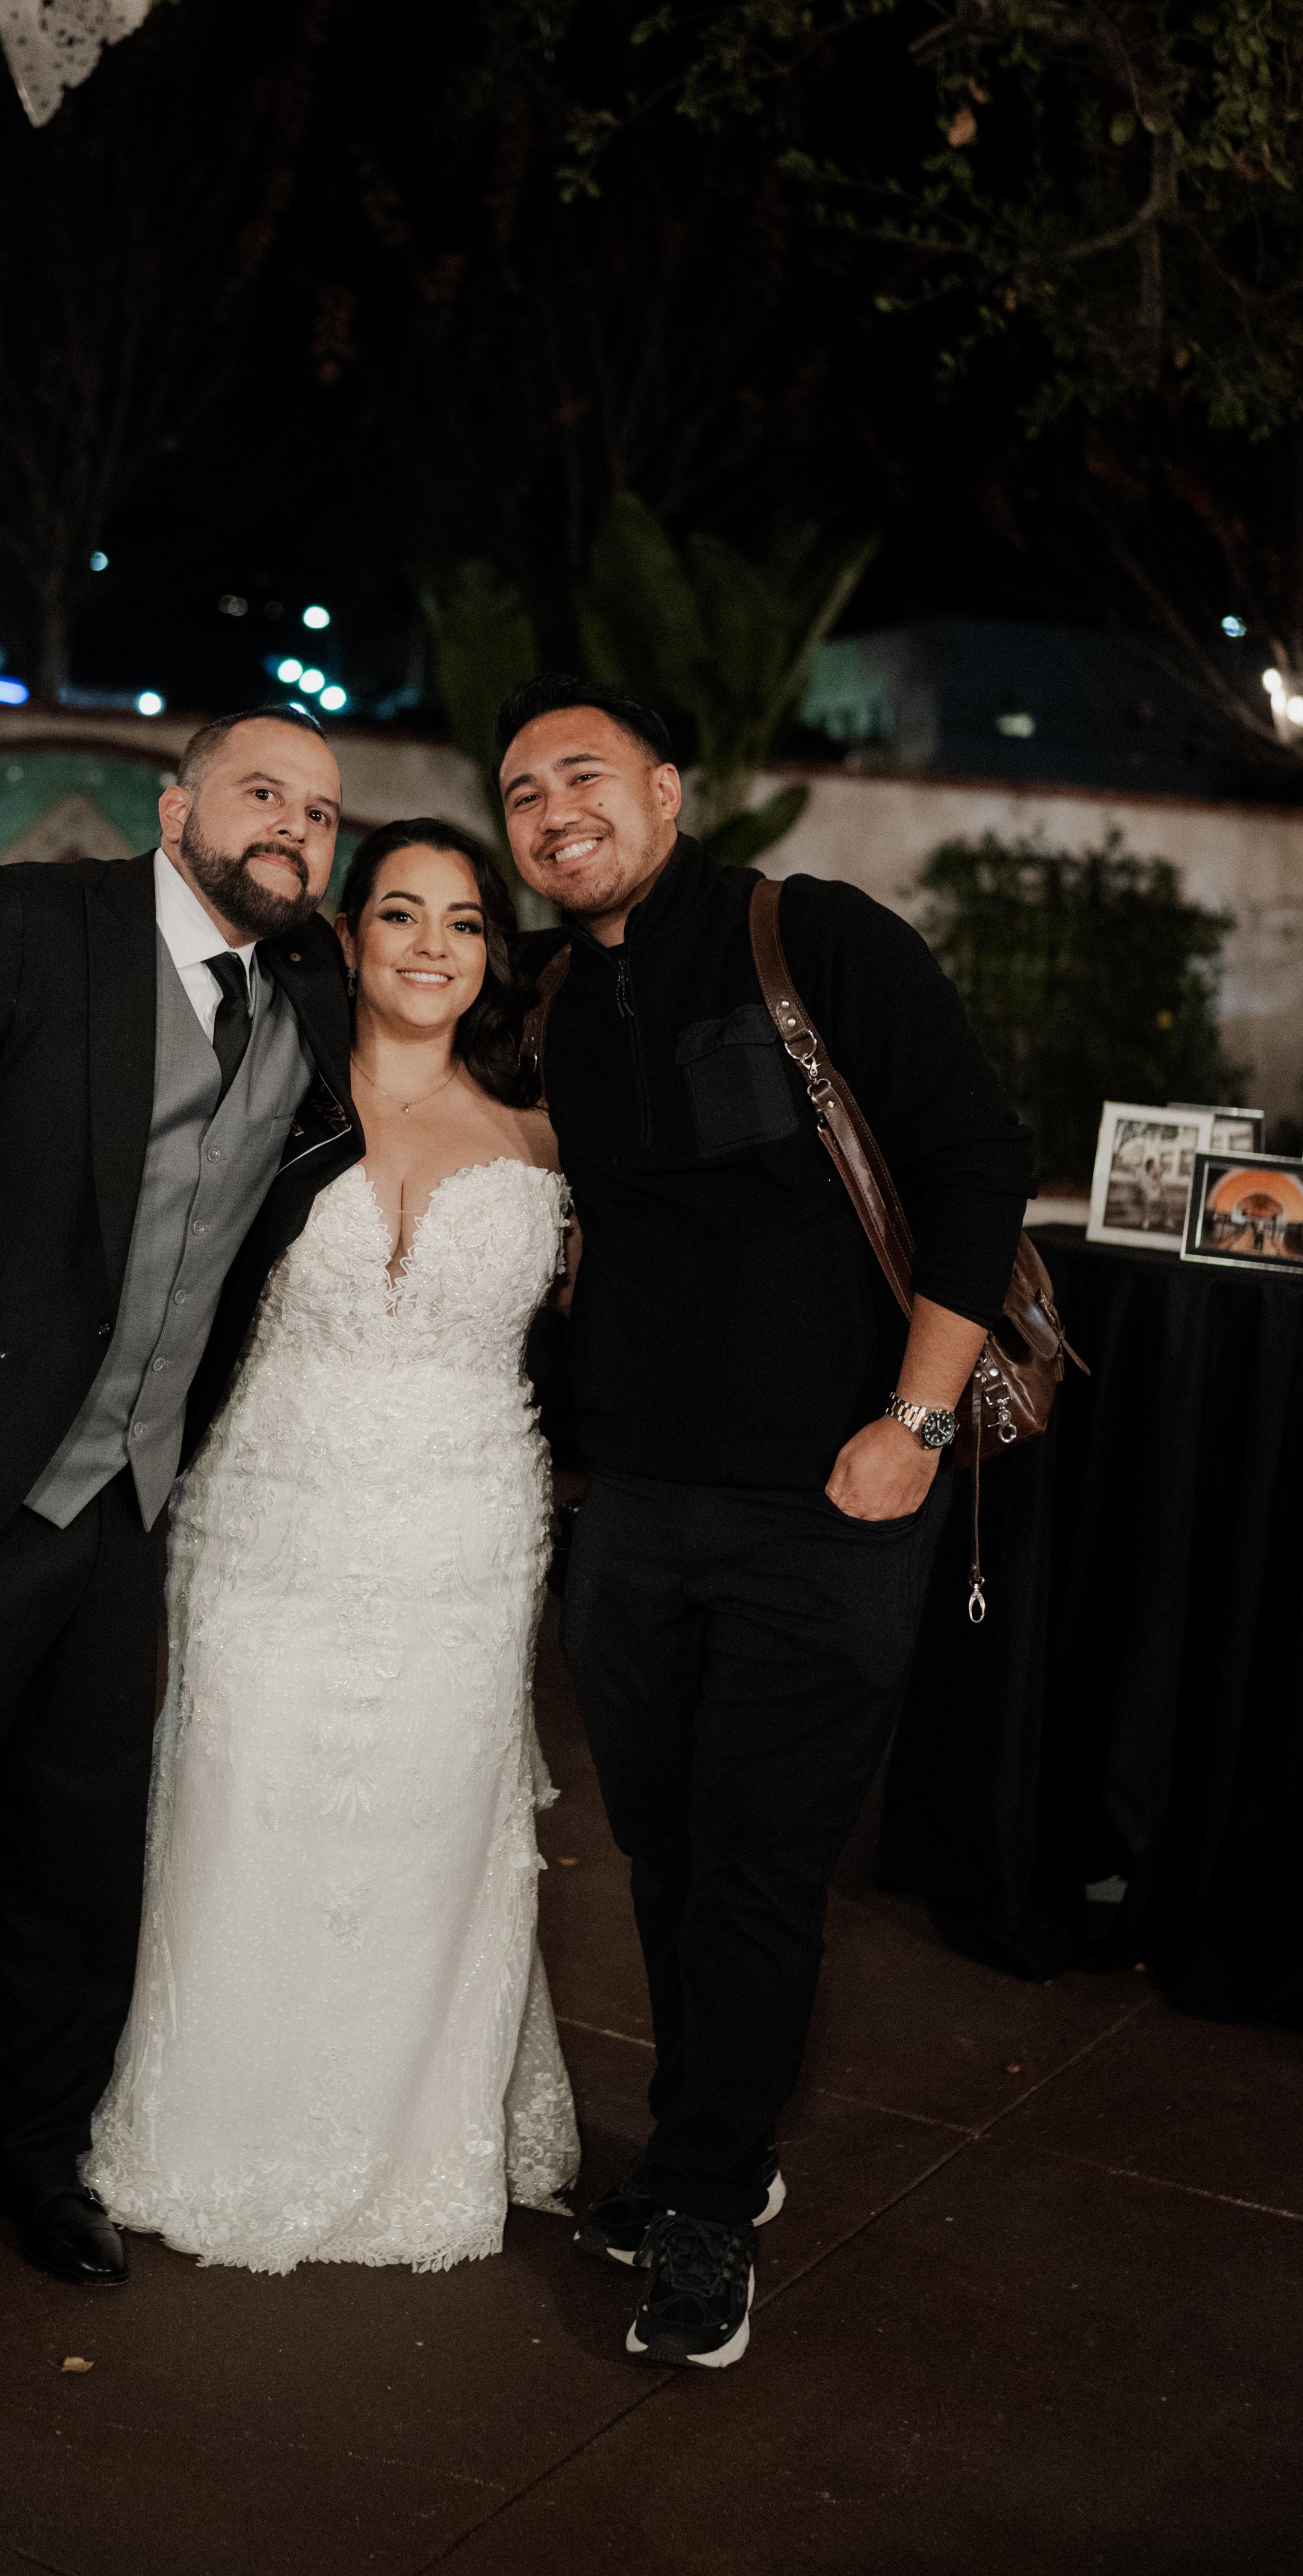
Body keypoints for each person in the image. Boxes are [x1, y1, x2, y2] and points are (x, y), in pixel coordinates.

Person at [0, 704, 363, 2344]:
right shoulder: (29, 922)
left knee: (81, 1864)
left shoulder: (307, 996)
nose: (293, 825)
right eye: (262, 791)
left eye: (321, 811)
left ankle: (28, 2159)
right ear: (177, 809)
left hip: (128, 1506)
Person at [496, 673, 1032, 2371]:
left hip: (828, 1499)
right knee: (664, 1852)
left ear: (667, 786)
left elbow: (972, 1161)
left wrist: (913, 1425)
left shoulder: (815, 938)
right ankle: (705, 2138)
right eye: (521, 794)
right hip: (633, 1509)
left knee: (756, 1863)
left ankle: (708, 2201)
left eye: (582, 774)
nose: (552, 812)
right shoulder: (558, 998)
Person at [85, 818, 581, 2271]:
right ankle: (207, 2122)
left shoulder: (548, 1129)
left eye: (465, 921)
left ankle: (416, 2137)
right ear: (349, 935)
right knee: (241, 1794)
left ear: (491, 953)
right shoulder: (264, 1096)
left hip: (468, 1530)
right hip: (266, 1511)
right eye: (401, 913)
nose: (432, 944)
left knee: (430, 1817)